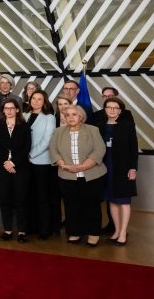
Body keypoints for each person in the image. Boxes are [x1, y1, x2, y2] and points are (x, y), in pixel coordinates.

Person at [49, 105, 106, 247]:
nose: (71, 117)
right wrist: (62, 164)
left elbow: (100, 150)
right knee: (71, 206)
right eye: (68, 115)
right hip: (67, 175)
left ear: (81, 116)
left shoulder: (93, 130)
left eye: (74, 114)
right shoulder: (58, 132)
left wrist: (83, 166)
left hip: (92, 175)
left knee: (91, 205)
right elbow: (53, 150)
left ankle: (93, 234)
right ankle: (74, 232)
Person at [95, 97, 138, 246]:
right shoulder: (99, 126)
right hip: (104, 168)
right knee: (112, 201)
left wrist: (133, 168)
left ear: (120, 110)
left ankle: (123, 234)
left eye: (115, 107)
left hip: (122, 168)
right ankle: (117, 231)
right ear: (105, 109)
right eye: (109, 107)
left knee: (123, 201)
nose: (112, 110)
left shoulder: (127, 126)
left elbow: (133, 149)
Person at [0, 99, 32, 243]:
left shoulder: (24, 126)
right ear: (3, 110)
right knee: (5, 199)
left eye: (12, 108)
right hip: (3, 168)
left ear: (17, 110)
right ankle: (7, 230)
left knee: (21, 199)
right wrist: (6, 163)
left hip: (20, 168)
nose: (9, 110)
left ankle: (22, 231)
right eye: (6, 108)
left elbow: (27, 147)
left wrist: (13, 162)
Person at [24, 90, 58, 240]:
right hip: (25, 162)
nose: (36, 101)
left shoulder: (49, 117)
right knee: (29, 196)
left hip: (41, 161)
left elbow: (47, 140)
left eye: (40, 99)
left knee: (43, 197)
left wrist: (30, 154)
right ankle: (31, 226)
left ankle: (45, 229)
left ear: (44, 102)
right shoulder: (24, 115)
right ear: (29, 100)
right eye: (34, 98)